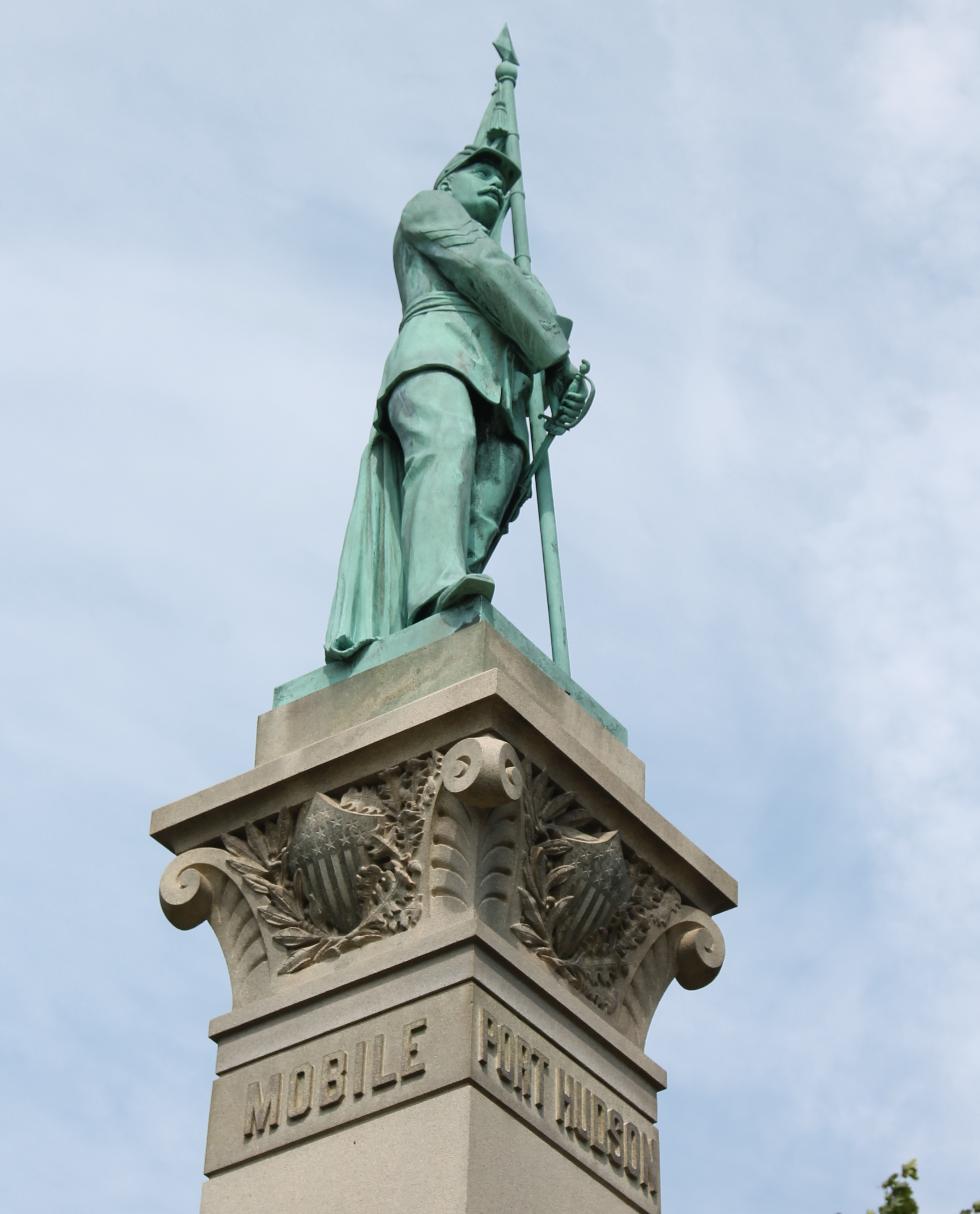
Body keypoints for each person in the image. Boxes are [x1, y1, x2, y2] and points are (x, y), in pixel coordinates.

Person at [324, 140, 589, 661]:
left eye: (504, 178)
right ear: (448, 182)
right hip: (435, 359)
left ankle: (438, 608)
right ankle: (435, 587)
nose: (497, 183)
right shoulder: (427, 208)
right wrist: (554, 357)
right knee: (446, 441)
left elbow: (512, 304)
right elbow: (484, 268)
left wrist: (560, 386)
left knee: (486, 500)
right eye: (483, 171)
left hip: (495, 393)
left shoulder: (507, 269)